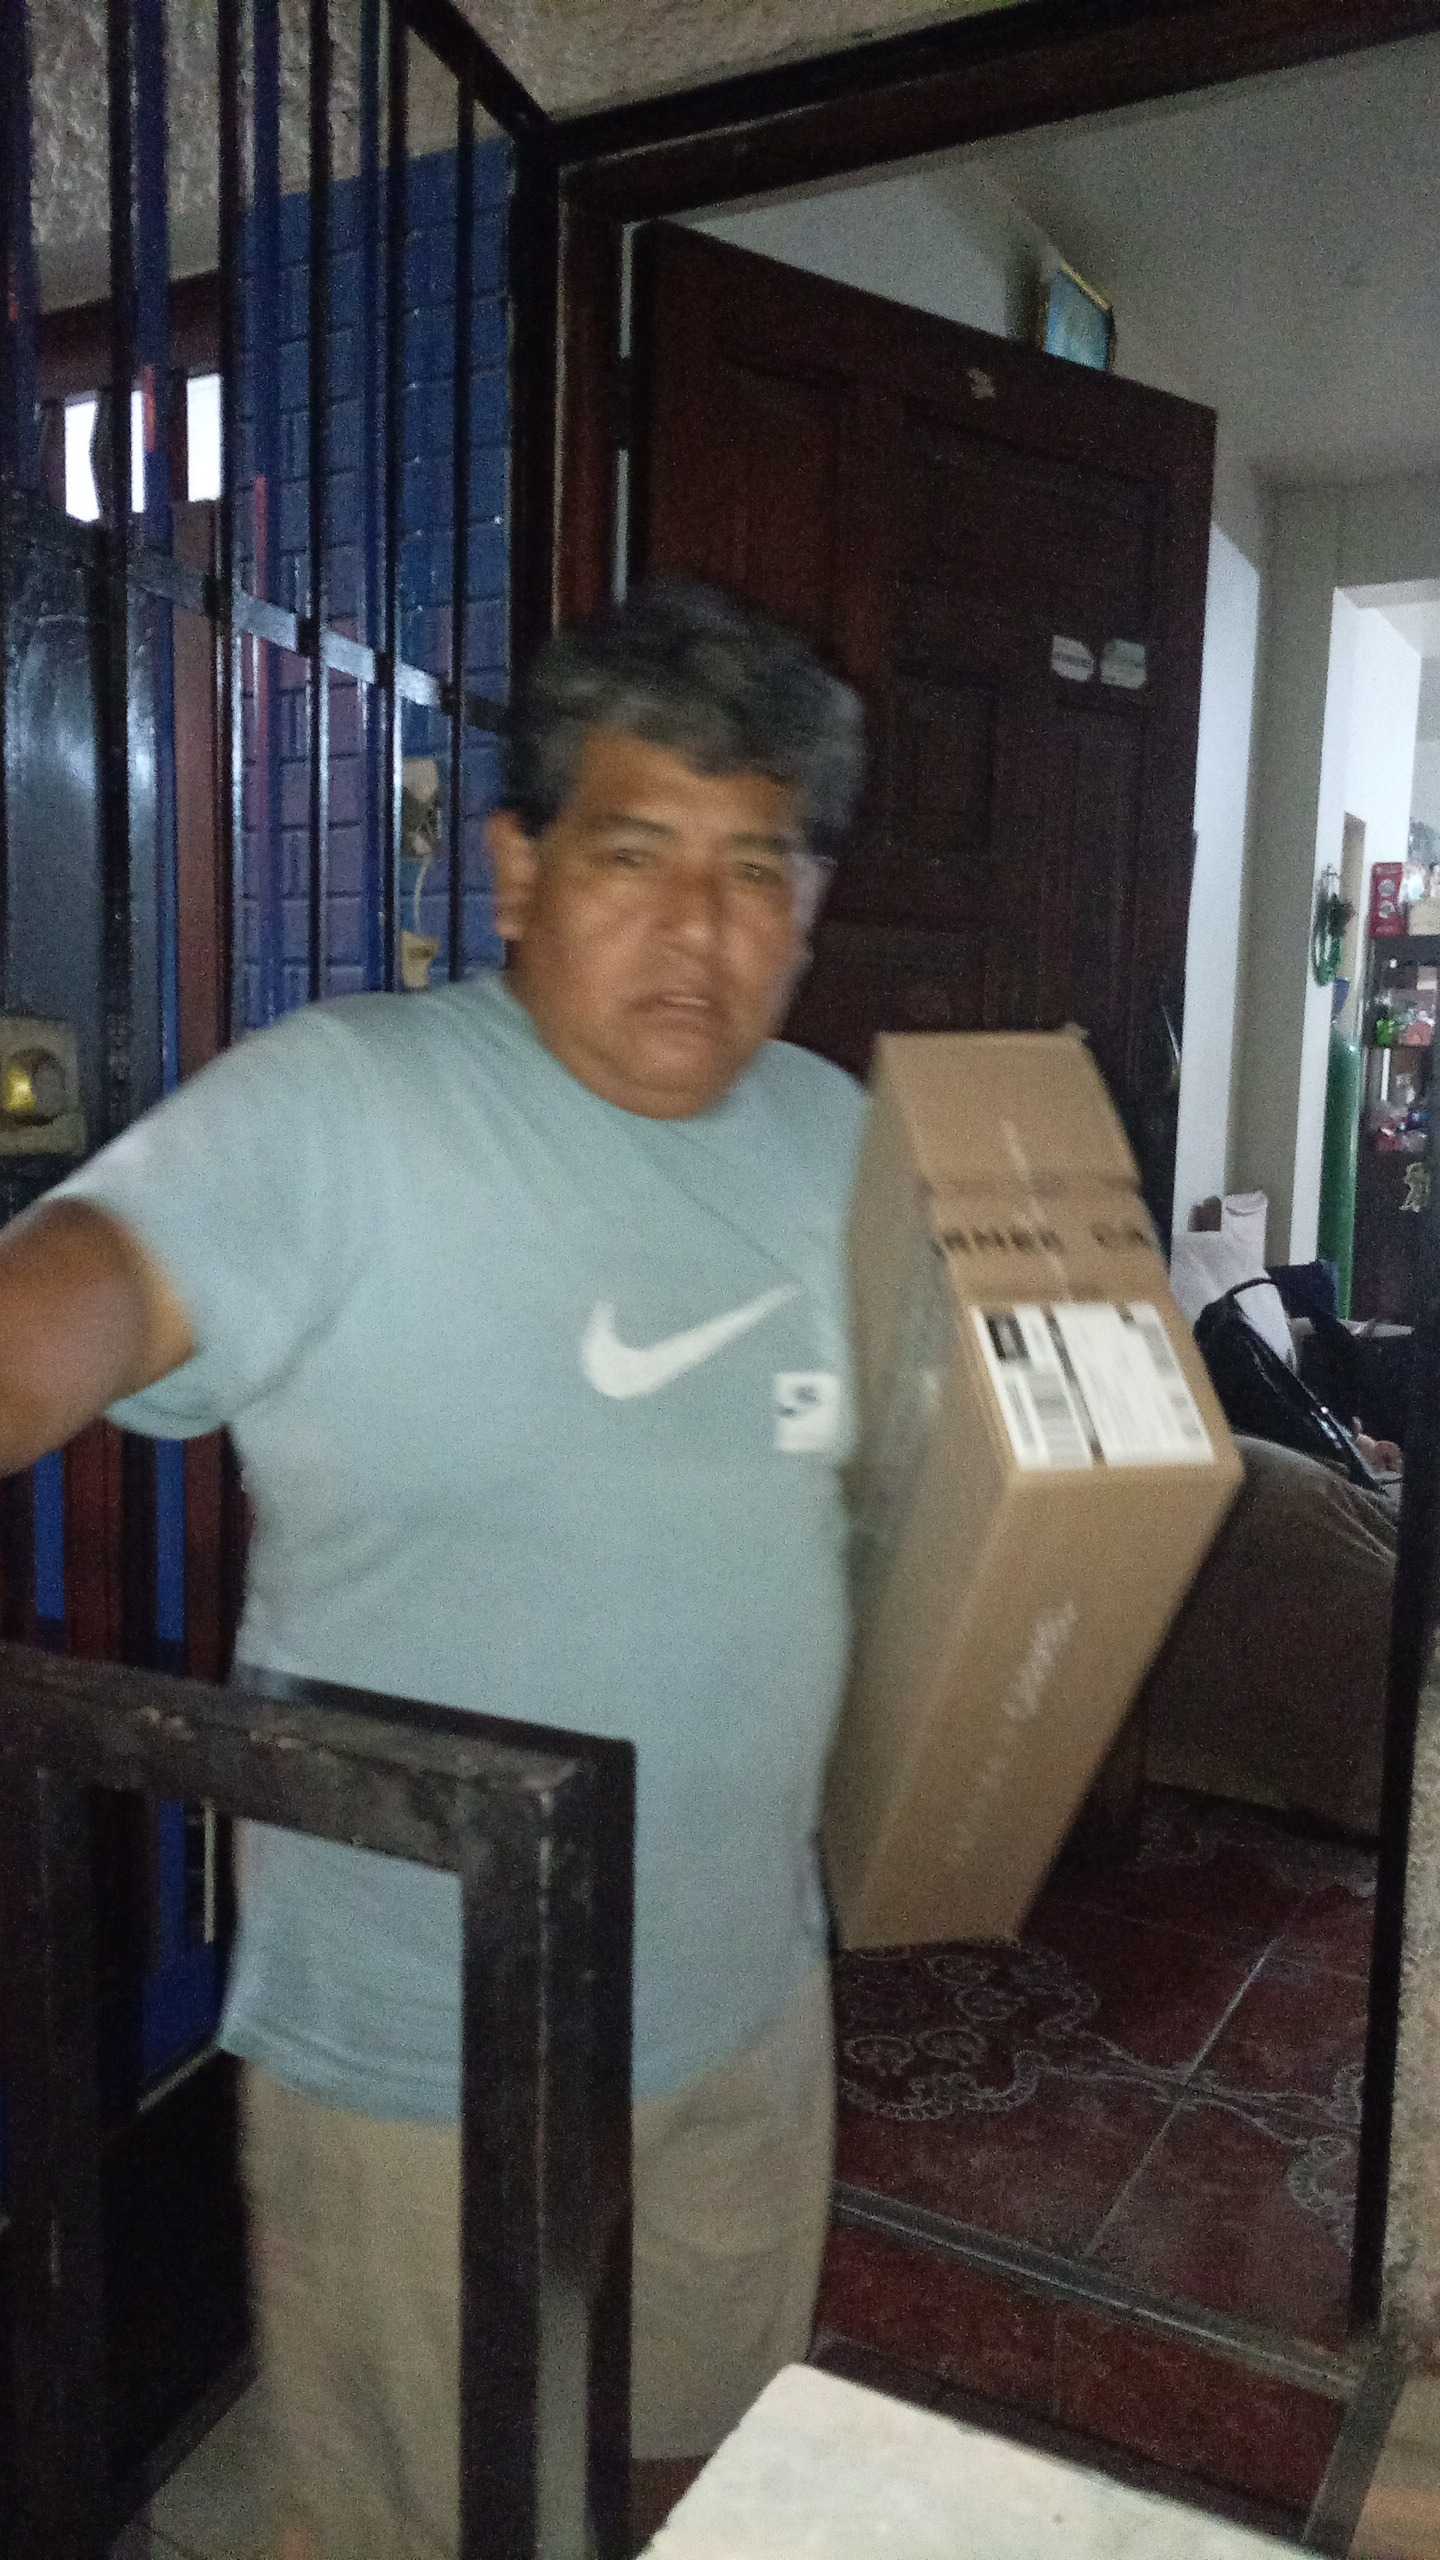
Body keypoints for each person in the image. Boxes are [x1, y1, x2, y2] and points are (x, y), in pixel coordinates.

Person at [0, 580, 867, 2557]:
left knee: (713, 2467)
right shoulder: (345, 1105)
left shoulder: (834, 1136)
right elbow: (77, 1294)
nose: (701, 928)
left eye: (758, 868)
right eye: (637, 854)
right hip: (427, 2045)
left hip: (748, 1989)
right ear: (519, 869)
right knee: (420, 2521)